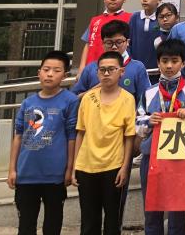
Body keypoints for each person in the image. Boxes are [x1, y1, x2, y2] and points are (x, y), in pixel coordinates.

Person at [8, 51, 79, 235]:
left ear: (65, 75)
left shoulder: (70, 101)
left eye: (56, 70)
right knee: (26, 226)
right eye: (46, 69)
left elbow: (72, 136)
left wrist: (70, 169)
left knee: (52, 225)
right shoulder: (28, 103)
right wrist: (12, 169)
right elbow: (18, 136)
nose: (50, 74)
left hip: (55, 176)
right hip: (26, 174)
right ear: (39, 72)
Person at [136, 38, 185, 235]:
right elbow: (137, 125)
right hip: (152, 156)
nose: (169, 66)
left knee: (177, 210)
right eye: (164, 61)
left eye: (174, 61)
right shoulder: (149, 92)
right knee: (151, 208)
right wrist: (149, 121)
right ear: (158, 63)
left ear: (184, 63)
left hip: (180, 157)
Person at [73, 51, 136, 235]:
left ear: (121, 71)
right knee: (89, 220)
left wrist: (125, 167)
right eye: (102, 70)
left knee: (112, 220)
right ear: (97, 72)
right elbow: (80, 132)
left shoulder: (128, 99)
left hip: (113, 166)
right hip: (86, 166)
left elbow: (129, 136)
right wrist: (75, 166)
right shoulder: (88, 98)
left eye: (111, 69)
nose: (106, 73)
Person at [72, 20, 150, 105]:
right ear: (102, 43)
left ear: (127, 42)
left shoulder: (137, 68)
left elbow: (145, 101)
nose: (114, 47)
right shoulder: (90, 68)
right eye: (109, 43)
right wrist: (96, 89)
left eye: (119, 42)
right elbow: (73, 100)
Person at [77, 0, 131, 74]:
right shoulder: (95, 20)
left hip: (116, 69)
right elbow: (88, 44)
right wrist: (82, 68)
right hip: (92, 69)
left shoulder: (130, 18)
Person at [128, 0, 164, 73]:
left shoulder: (162, 18)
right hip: (135, 68)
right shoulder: (135, 17)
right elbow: (128, 42)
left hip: (157, 69)